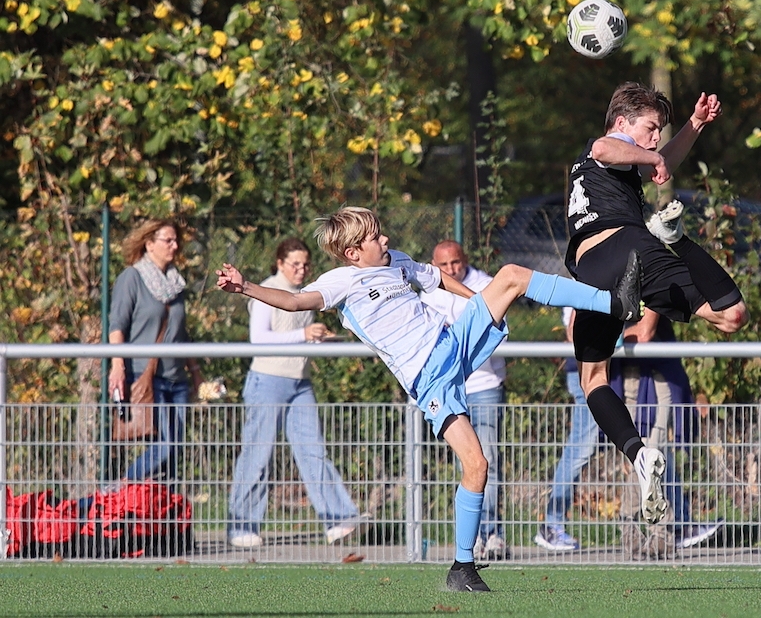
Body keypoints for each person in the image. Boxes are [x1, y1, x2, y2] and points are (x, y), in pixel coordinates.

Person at [215, 206, 642, 592]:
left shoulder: (398, 261)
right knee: (477, 466)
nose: (385, 239)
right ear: (352, 252)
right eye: (375, 237)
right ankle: (462, 567)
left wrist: (480, 302)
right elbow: (293, 301)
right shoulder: (342, 281)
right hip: (430, 381)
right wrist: (244, 286)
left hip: (452, 344)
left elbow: (437, 278)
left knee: (512, 276)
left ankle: (613, 303)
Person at [564, 82, 750, 526]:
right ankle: (676, 241)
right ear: (622, 122)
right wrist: (655, 158)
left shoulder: (623, 162)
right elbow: (605, 147)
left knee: (594, 378)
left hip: (595, 271)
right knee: (730, 316)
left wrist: (694, 125)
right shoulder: (605, 149)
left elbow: (655, 160)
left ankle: (638, 454)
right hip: (627, 247)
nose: (655, 139)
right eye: (650, 128)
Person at [226, 238, 363, 549]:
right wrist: (303, 333)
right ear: (280, 264)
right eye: (295, 264)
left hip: (300, 382)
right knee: (257, 454)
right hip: (268, 380)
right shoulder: (266, 290)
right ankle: (242, 525)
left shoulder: (305, 292)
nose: (301, 270)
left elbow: (296, 337)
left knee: (314, 451)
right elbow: (259, 338)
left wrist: (317, 338)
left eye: (305, 264)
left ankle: (339, 519)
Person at [420, 240, 508, 561]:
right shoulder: (427, 291)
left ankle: (493, 534)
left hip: (483, 385)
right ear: (434, 264)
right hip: (448, 389)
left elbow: (497, 330)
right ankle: (471, 540)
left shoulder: (485, 284)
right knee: (467, 465)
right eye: (444, 265)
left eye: (456, 262)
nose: (451, 270)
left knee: (487, 460)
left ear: (465, 259)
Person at [610, 309, 723, 553]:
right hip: (627, 379)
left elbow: (644, 333)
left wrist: (609, 337)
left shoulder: (649, 291)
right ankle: (652, 528)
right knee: (644, 458)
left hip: (657, 377)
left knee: (650, 456)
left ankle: (657, 528)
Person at [108, 218, 203, 483]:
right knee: (165, 445)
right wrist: (117, 366)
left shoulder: (176, 284)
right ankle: (121, 486)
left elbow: (181, 333)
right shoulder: (132, 278)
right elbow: (117, 326)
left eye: (176, 240)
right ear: (149, 244)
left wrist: (196, 373)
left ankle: (164, 508)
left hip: (177, 380)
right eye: (168, 240)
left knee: (174, 453)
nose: (175, 246)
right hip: (147, 376)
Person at [533, 308, 600, 552]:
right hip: (587, 373)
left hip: (594, 371)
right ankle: (552, 523)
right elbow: (574, 330)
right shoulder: (585, 287)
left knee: (581, 448)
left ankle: (677, 519)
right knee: (579, 449)